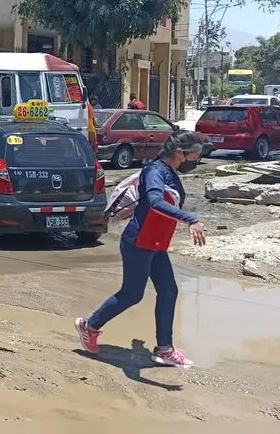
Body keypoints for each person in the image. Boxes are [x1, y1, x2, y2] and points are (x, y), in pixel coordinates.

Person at [75, 130, 208, 368]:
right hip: (139, 241)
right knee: (132, 294)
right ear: (180, 153)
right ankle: (89, 326)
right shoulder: (155, 171)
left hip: (156, 242)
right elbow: (155, 202)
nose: (196, 161)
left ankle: (165, 349)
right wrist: (190, 219)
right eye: (195, 156)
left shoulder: (169, 171)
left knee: (169, 291)